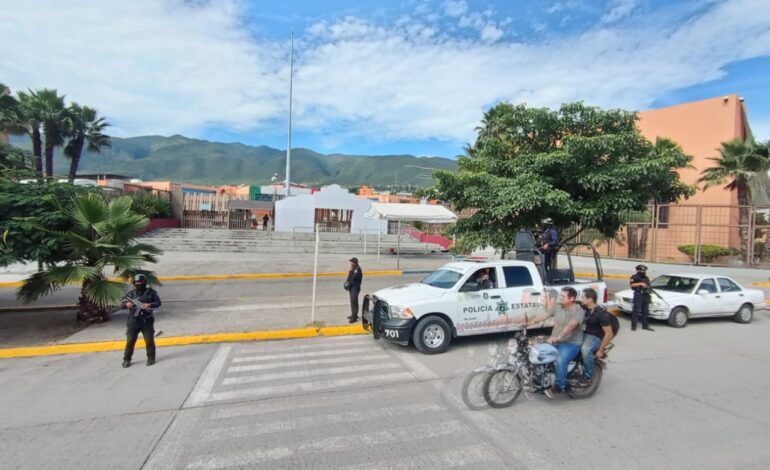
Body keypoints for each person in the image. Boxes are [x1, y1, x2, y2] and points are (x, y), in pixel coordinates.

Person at [525, 287, 584, 395]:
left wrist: (558, 336)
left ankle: (559, 385)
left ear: (571, 298)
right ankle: (539, 379)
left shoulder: (578, 311)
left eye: (563, 296)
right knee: (536, 352)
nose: (560, 298)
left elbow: (571, 326)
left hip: (571, 343)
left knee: (561, 360)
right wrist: (530, 322)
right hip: (555, 340)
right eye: (560, 295)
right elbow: (545, 315)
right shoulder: (557, 307)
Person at [121, 274, 162, 368]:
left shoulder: (151, 292)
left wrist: (149, 305)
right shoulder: (131, 294)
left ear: (144, 283)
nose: (138, 284)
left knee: (149, 341)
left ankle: (151, 358)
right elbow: (122, 304)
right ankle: (126, 359)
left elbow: (158, 303)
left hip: (146, 320)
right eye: (137, 283)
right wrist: (127, 304)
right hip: (133, 320)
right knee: (130, 341)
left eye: (140, 283)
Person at [580, 288, 614, 383]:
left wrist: (601, 350)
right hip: (584, 334)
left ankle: (588, 376)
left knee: (585, 350)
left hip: (595, 337)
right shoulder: (585, 308)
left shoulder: (601, 313)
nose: (581, 299)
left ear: (590, 299)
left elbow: (609, 333)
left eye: (583, 297)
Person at [630, 264, 654, 331]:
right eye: (642, 270)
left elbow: (649, 285)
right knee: (636, 311)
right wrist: (640, 284)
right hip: (638, 296)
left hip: (646, 296)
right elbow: (631, 285)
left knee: (645, 312)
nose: (644, 271)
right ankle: (633, 326)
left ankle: (645, 326)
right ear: (638, 270)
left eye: (644, 270)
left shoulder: (646, 277)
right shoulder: (634, 277)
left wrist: (649, 289)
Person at [346, 257, 363, 323]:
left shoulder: (357, 269)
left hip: (355, 287)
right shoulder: (354, 269)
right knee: (352, 301)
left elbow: (351, 279)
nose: (351, 263)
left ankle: (354, 317)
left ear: (354, 263)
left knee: (354, 301)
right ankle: (353, 314)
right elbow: (348, 279)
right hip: (352, 287)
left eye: (352, 262)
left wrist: (350, 271)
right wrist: (350, 271)